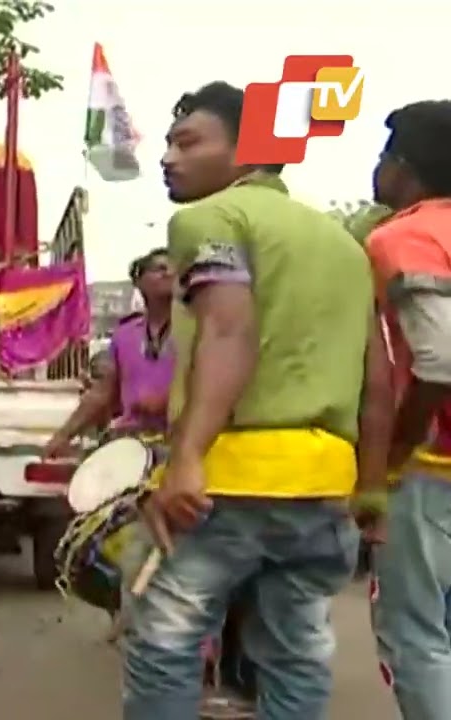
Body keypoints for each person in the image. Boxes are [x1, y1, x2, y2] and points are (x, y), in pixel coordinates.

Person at [120, 81, 389, 720]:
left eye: (188, 142)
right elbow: (378, 378)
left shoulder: (208, 219)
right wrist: (371, 489)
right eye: (168, 143)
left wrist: (186, 458)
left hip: (230, 480)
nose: (168, 157)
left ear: (250, 151)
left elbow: (226, 328)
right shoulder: (343, 244)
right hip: (324, 487)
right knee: (297, 652)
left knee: (164, 641)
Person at [365, 100, 451, 720]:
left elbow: (440, 359)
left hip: (433, 462)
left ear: (405, 166)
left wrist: (396, 449)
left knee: (417, 634)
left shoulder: (405, 235)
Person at [43, 247, 174, 456]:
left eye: (174, 269)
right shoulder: (125, 334)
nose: (169, 273)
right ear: (139, 282)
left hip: (180, 441)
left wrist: (168, 399)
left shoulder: (196, 328)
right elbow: (102, 393)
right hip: (132, 442)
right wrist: (63, 436)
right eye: (159, 268)